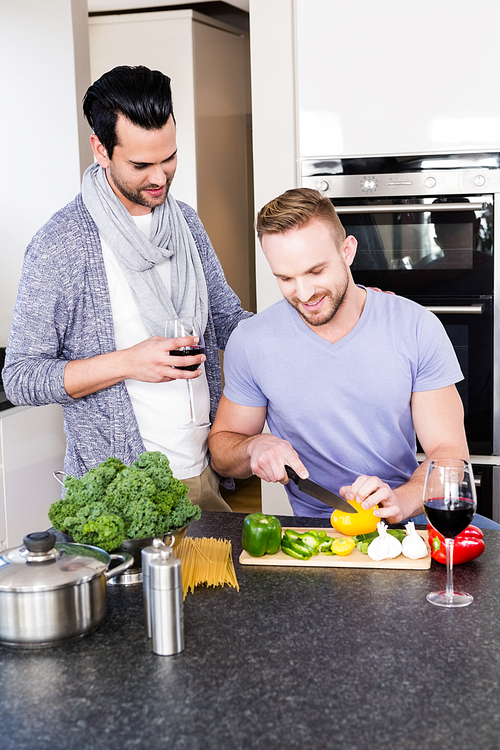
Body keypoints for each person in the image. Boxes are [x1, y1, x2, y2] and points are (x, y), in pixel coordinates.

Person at [3, 65, 252, 511]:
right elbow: (21, 377)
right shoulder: (61, 244)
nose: (160, 178)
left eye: (169, 157)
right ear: (101, 149)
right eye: (141, 164)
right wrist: (129, 363)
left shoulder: (186, 224)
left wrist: (329, 319)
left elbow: (230, 323)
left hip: (202, 474)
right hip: (117, 489)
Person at [208, 187, 499, 527]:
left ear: (347, 251)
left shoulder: (416, 326)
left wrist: (401, 501)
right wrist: (253, 447)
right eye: (286, 278)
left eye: (316, 271)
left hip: (410, 519)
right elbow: (222, 452)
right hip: (318, 529)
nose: (304, 294)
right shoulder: (252, 340)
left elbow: (449, 454)